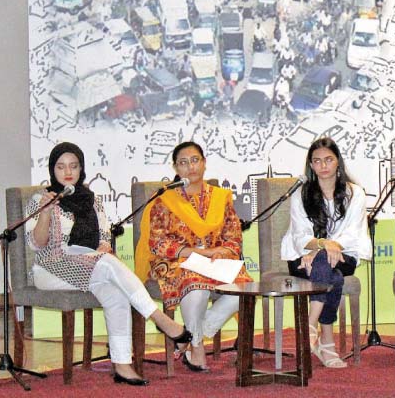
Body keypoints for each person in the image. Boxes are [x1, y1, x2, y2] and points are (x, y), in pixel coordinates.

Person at [25, 142, 191, 386]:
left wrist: (98, 256)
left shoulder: (93, 201)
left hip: (89, 265)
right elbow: (37, 245)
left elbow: (104, 240)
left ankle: (122, 365)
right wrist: (46, 213)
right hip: (51, 268)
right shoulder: (41, 199)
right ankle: (161, 319)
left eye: (74, 166)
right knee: (106, 263)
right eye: (61, 167)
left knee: (115, 291)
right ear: (52, 170)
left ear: (82, 169)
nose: (67, 172)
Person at [135, 141, 251, 372]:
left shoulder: (220, 197)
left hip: (215, 261)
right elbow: (158, 242)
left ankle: (191, 337)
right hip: (175, 262)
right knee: (195, 286)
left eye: (195, 160)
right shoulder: (164, 199)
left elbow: (233, 235)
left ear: (204, 163)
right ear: (176, 168)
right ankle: (197, 346)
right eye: (183, 162)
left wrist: (222, 252)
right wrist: (197, 253)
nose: (191, 167)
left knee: (245, 290)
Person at [280, 137, 371, 368]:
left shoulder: (355, 193)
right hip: (304, 257)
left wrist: (327, 246)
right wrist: (319, 246)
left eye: (328, 159)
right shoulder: (300, 194)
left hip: (344, 255)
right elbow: (300, 235)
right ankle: (326, 341)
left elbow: (353, 233)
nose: (323, 165)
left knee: (325, 263)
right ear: (311, 165)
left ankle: (309, 325)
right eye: (317, 161)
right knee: (333, 276)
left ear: (338, 162)